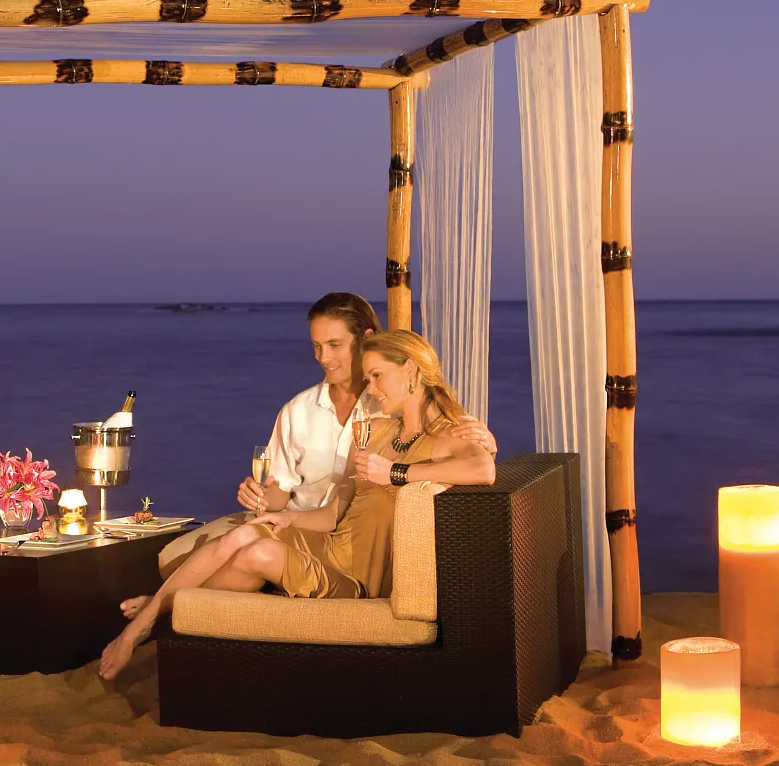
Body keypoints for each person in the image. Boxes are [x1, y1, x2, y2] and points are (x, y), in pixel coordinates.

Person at [98, 328, 495, 681]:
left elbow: (483, 467)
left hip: (355, 577)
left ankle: (158, 609)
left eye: (377, 376)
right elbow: (337, 511)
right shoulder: (377, 432)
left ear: (411, 370)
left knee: (252, 554)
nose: (371, 387)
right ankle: (140, 628)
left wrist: (395, 474)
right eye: (369, 376)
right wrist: (287, 516)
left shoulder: (443, 435)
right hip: (332, 544)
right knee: (247, 535)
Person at [154, 292, 494, 579]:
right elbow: (280, 492)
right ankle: (168, 608)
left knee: (223, 562)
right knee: (173, 561)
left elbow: (453, 443)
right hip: (297, 524)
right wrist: (260, 494)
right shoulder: (298, 410)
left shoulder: (393, 403)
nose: (323, 358)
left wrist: (487, 443)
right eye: (316, 346)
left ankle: (164, 609)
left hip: (348, 538)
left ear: (365, 339)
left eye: (334, 344)